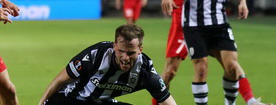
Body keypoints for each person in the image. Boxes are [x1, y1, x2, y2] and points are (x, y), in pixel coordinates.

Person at [38, 24, 177, 105]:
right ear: (114, 45)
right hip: (71, 99)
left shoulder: (146, 71)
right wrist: (42, 102)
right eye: (121, 51)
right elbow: (61, 79)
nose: (125, 58)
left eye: (130, 53)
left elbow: (167, 101)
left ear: (140, 50)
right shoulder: (95, 55)